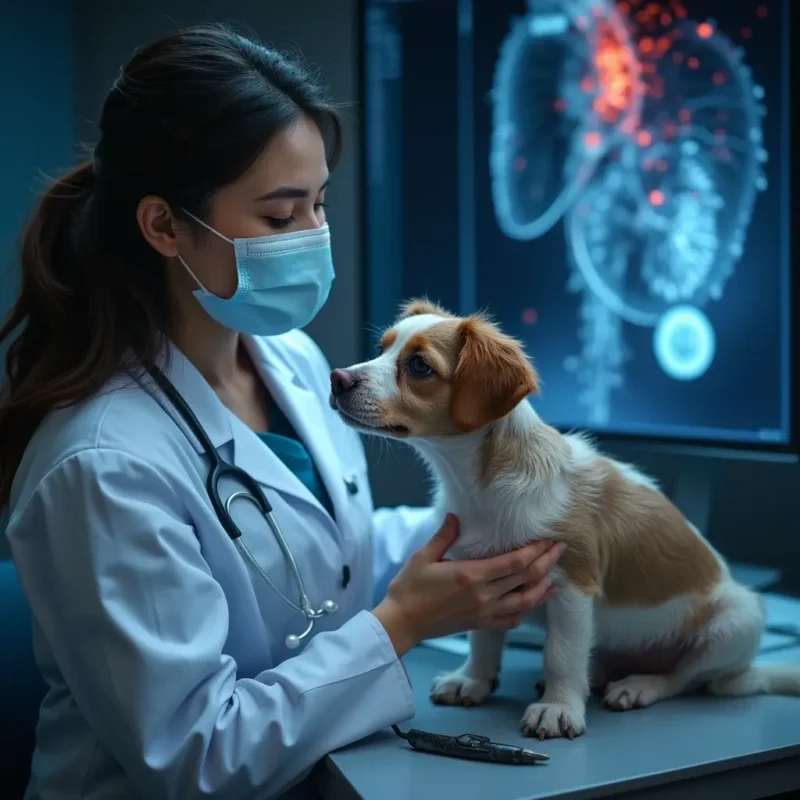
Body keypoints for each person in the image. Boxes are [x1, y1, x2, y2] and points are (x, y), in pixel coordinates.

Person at [0, 24, 563, 800]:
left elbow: (326, 554)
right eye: (279, 216)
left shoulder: (287, 359)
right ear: (164, 225)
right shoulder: (102, 464)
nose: (314, 238)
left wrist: (507, 530)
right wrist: (399, 624)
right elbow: (195, 754)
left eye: (319, 204)